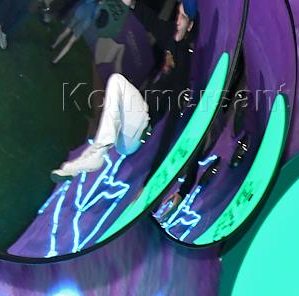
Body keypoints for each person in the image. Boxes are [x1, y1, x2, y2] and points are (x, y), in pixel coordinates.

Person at [50, 0, 197, 181]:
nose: (178, 21)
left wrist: (150, 178)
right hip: (125, 140)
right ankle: (76, 166)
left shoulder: (184, 63)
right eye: (178, 14)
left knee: (117, 81)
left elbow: (172, 121)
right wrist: (131, 3)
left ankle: (97, 153)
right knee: (115, 96)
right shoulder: (171, 35)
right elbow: (149, 19)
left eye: (183, 18)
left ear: (190, 25)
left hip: (141, 126)